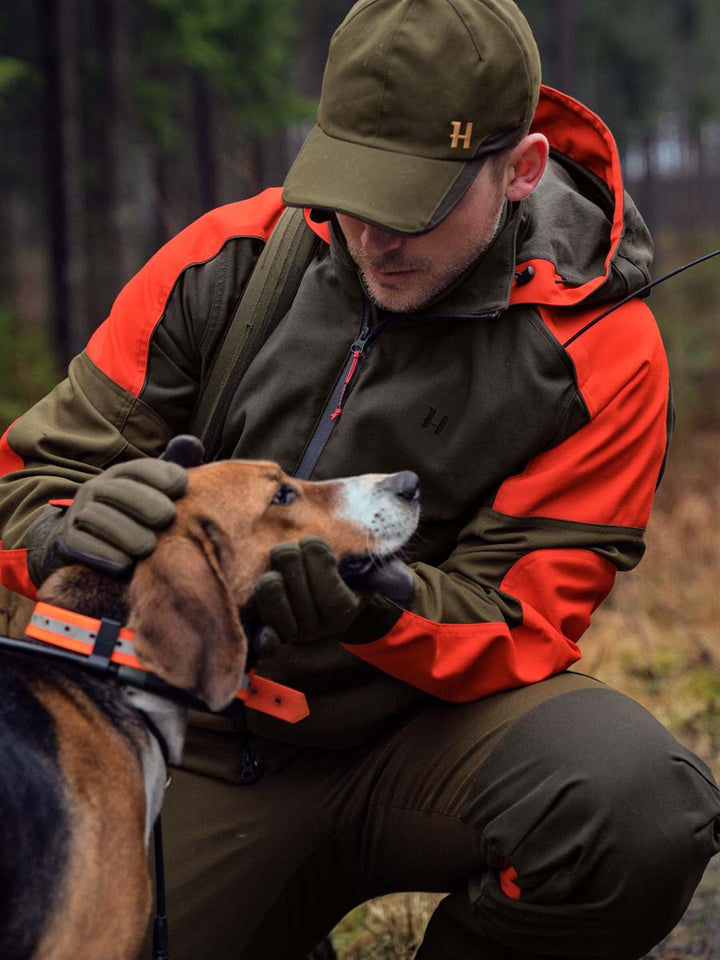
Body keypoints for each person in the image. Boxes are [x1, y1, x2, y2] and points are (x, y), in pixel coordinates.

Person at [1, 0, 719, 957]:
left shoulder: (603, 350)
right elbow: (25, 480)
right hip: (199, 737)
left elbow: (523, 621)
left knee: (635, 804)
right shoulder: (229, 260)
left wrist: (376, 608)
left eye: (414, 204)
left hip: (425, 743)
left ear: (521, 170)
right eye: (352, 188)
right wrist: (62, 531)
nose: (374, 234)